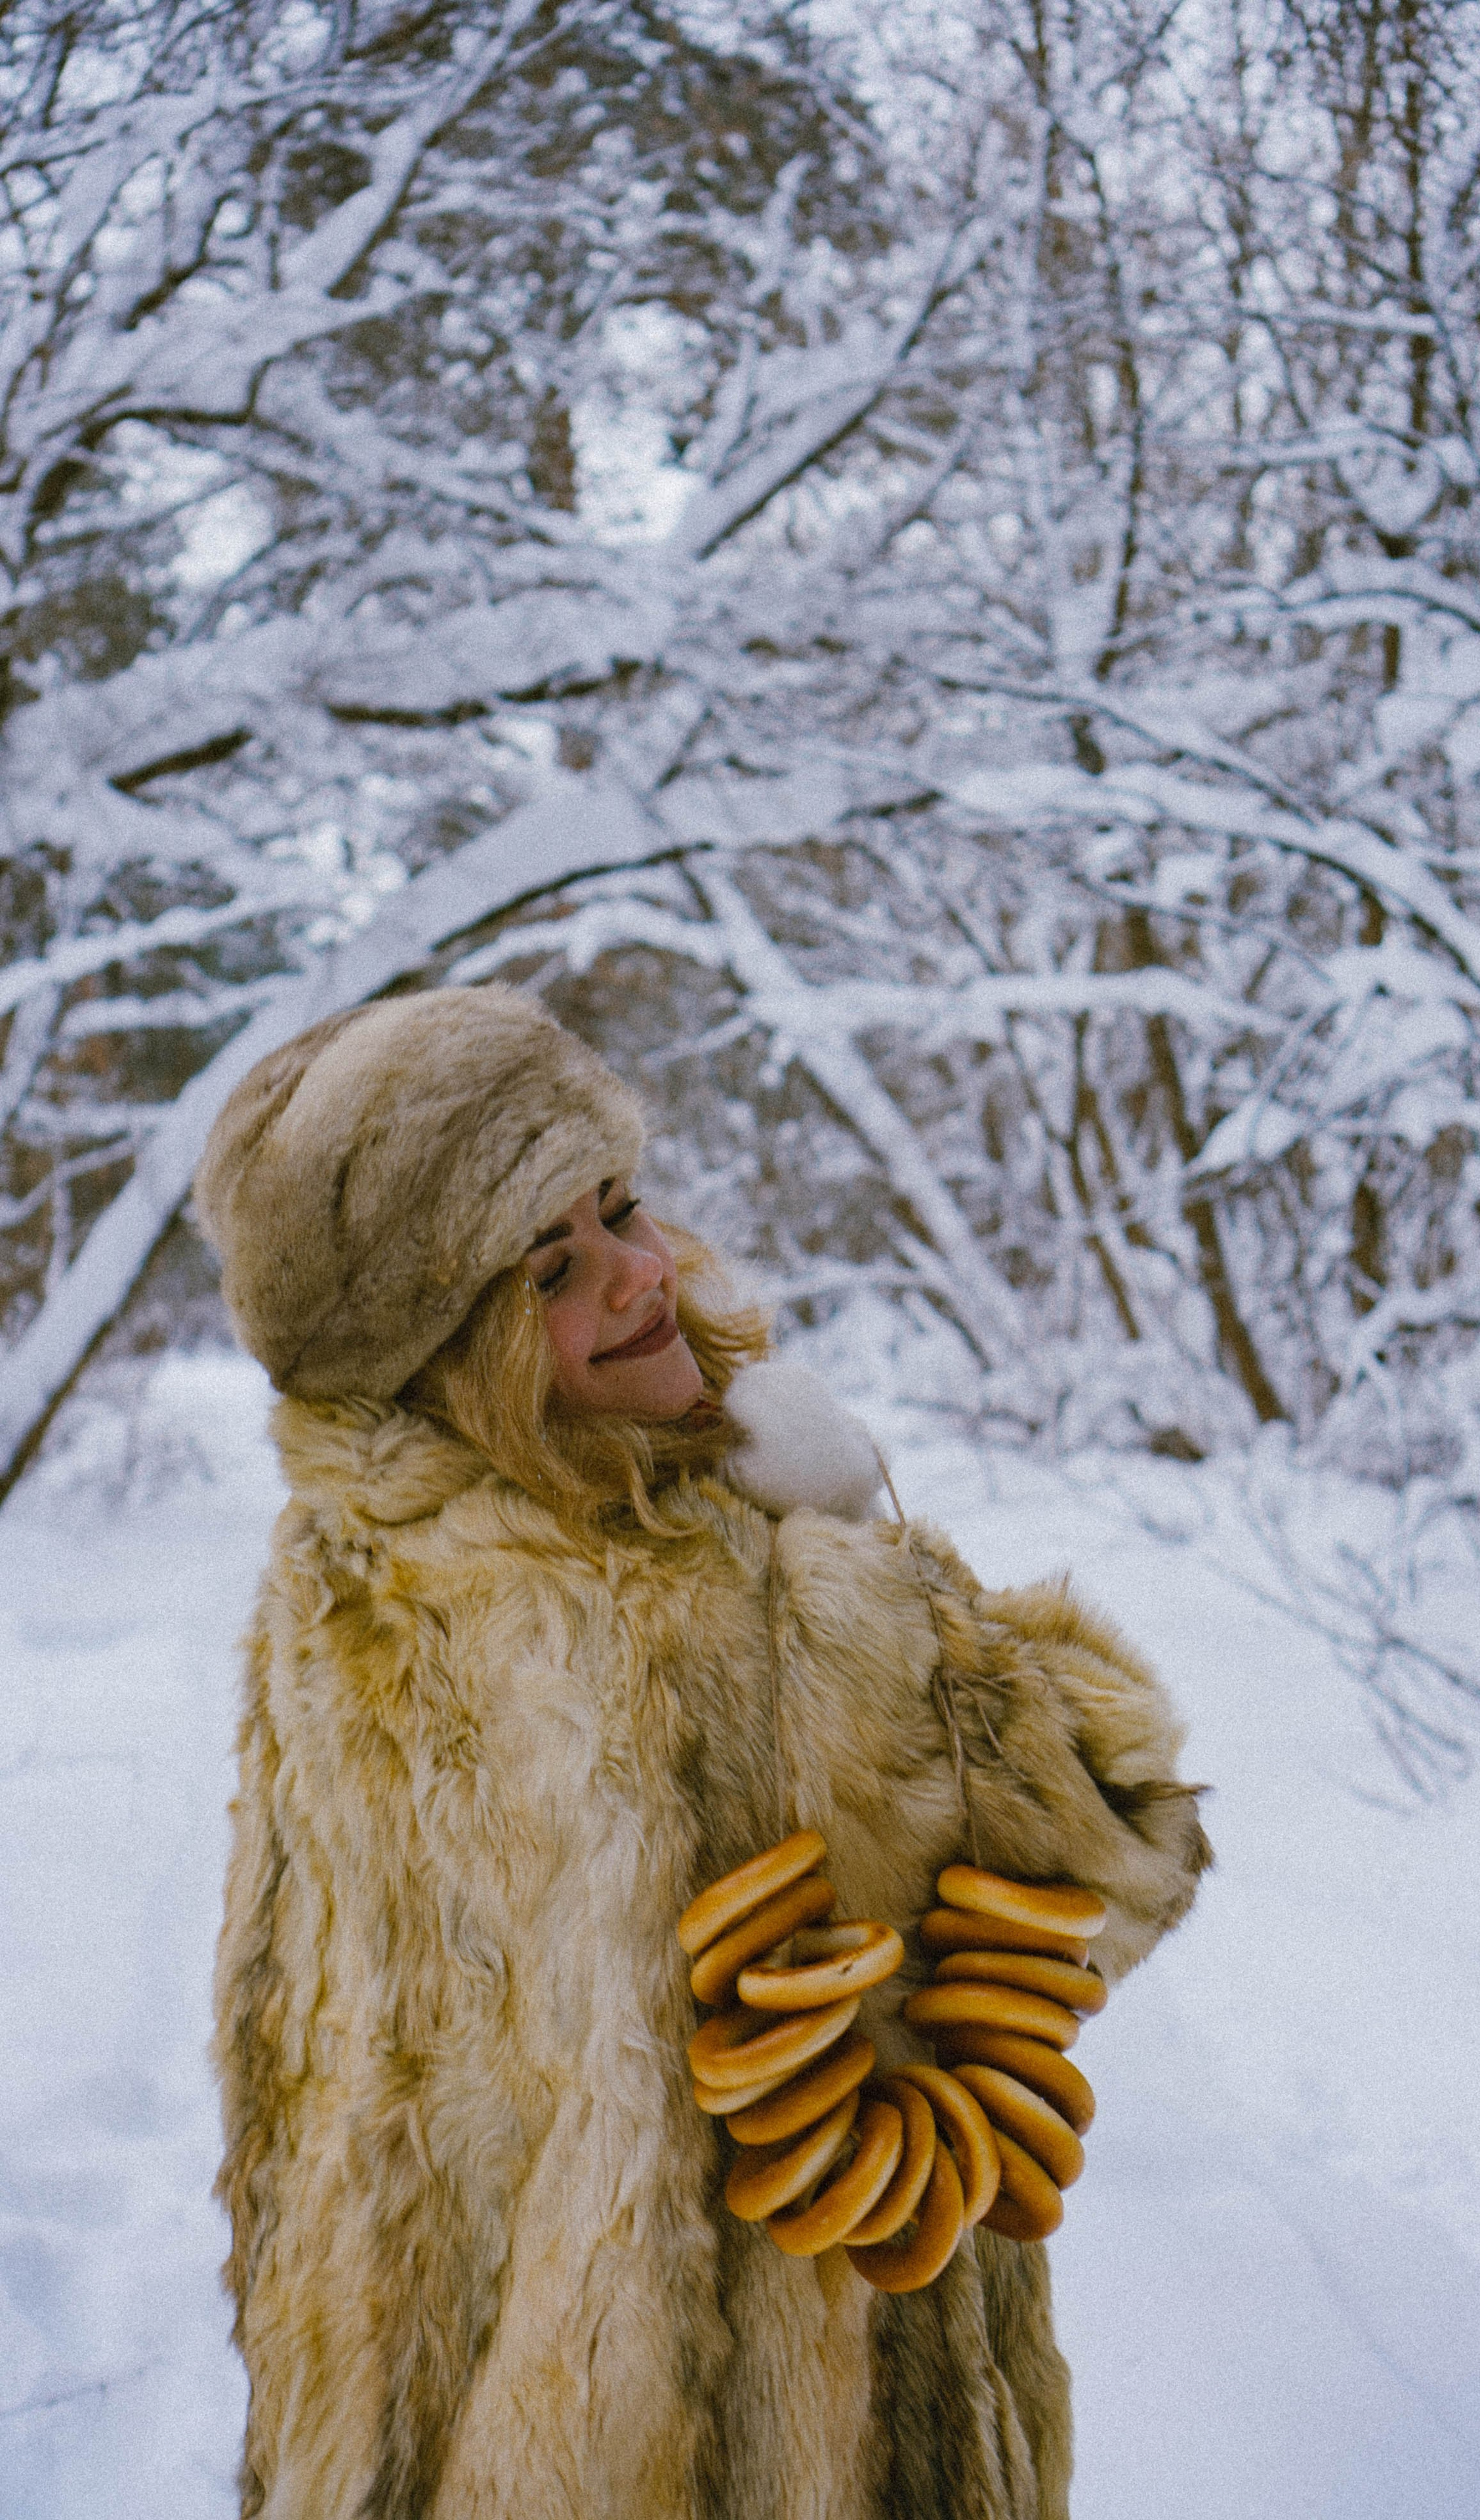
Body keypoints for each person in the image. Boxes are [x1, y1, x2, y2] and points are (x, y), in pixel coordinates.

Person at [194, 984, 1210, 2520]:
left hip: (437, 2435)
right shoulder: (754, 1603)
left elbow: (293, 2080)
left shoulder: (335, 1585)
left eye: (617, 1206)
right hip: (773, 2458)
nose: (640, 1272)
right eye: (551, 1268)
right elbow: (1123, 1836)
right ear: (449, 1350)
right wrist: (853, 1538)